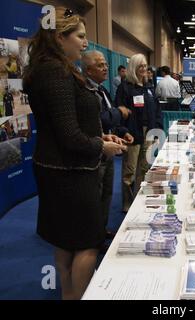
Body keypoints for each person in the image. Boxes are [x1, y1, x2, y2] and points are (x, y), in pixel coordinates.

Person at [22, 7, 126, 300]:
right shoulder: (55, 72)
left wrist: (100, 136)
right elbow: (68, 136)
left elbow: (66, 126)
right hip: (70, 174)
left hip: (61, 170)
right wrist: (101, 147)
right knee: (86, 244)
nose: (85, 43)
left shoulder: (52, 69)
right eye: (80, 36)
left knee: (66, 243)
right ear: (59, 37)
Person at [81, 50, 134, 240]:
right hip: (95, 152)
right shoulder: (86, 91)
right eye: (100, 65)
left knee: (107, 195)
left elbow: (109, 117)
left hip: (108, 149)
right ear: (87, 70)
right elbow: (100, 118)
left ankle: (101, 232)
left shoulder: (102, 90)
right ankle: (92, 238)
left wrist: (122, 132)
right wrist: (119, 112)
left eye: (105, 64)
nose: (105, 68)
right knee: (96, 197)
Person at [116, 54, 163, 213]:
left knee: (144, 168)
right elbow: (120, 112)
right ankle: (127, 204)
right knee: (129, 171)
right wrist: (124, 132)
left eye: (145, 66)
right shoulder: (125, 87)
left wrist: (158, 129)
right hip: (132, 133)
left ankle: (139, 200)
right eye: (140, 66)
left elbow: (157, 111)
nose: (143, 69)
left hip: (148, 132)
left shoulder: (149, 87)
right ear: (133, 68)